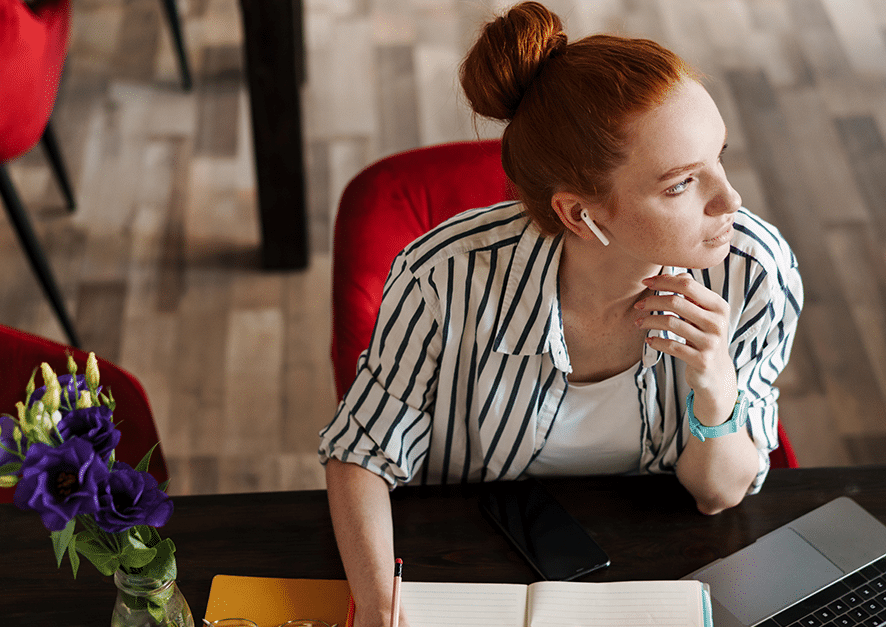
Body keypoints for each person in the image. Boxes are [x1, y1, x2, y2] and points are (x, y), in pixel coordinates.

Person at [319, 2, 803, 625]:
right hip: (470, 559)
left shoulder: (753, 271)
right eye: (682, 183)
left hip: (658, 574)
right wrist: (382, 611)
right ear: (581, 214)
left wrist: (714, 385)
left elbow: (718, 496)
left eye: (721, 157)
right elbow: (360, 454)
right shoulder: (442, 275)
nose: (730, 199)